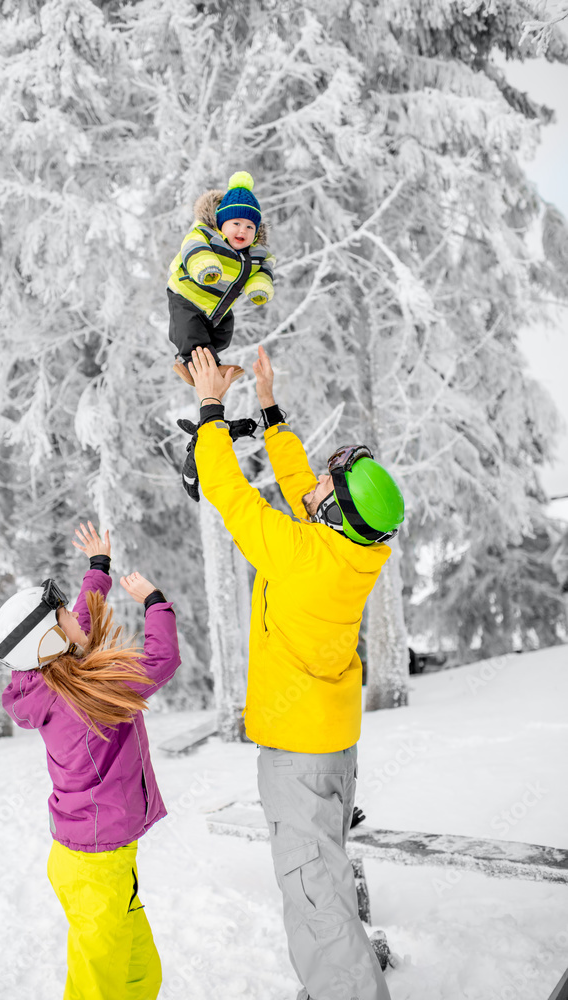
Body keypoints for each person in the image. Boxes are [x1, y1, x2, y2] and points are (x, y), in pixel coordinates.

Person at [186, 346, 404, 1000]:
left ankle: (344, 989)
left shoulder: (301, 554)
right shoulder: (347, 551)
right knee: (324, 879)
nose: (309, 485)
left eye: (321, 490)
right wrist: (270, 408)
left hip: (298, 757)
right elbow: (298, 484)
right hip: (332, 746)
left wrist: (209, 408)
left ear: (331, 512)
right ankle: (340, 977)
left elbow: (227, 492)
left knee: (313, 894)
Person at [0, 521, 180, 1000]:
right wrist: (155, 601)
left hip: (100, 857)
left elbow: (82, 624)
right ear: (51, 642)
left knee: (140, 977)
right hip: (96, 865)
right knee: (97, 990)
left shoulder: (54, 678)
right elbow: (160, 661)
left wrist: (98, 570)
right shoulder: (89, 695)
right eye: (64, 618)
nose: (78, 618)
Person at [167, 171, 275, 386]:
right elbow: (194, 249)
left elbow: (264, 268)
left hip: (218, 306)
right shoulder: (206, 235)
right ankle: (194, 363)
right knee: (191, 332)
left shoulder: (255, 253)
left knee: (224, 332)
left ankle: (209, 364)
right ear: (221, 222)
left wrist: (259, 287)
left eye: (249, 227)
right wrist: (205, 265)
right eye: (236, 223)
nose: (242, 230)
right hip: (187, 295)